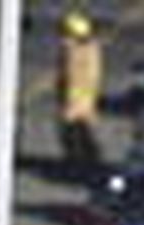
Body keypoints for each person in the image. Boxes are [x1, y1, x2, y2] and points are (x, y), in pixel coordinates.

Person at [56, 10, 104, 176]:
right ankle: (85, 162)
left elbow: (73, 79)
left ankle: (80, 165)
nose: (63, 39)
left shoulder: (77, 53)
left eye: (66, 35)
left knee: (75, 136)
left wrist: (69, 103)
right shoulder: (87, 50)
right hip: (83, 101)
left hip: (76, 102)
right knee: (81, 135)